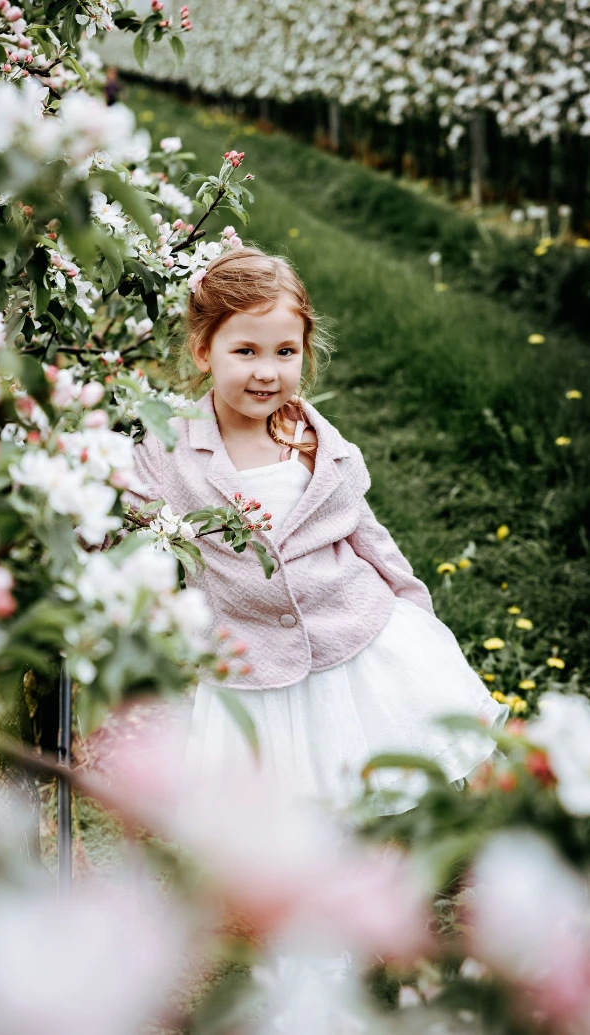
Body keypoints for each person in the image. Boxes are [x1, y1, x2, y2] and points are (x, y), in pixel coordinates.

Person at [124, 246, 508, 815]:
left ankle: (396, 860)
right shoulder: (169, 448)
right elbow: (126, 519)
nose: (267, 371)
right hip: (252, 661)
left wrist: (411, 603)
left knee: (362, 772)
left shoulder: (312, 442)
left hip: (351, 631)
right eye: (246, 351)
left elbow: (364, 531)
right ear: (204, 351)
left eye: (286, 352)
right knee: (285, 804)